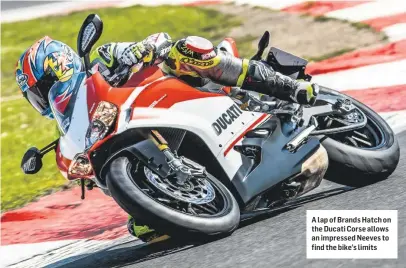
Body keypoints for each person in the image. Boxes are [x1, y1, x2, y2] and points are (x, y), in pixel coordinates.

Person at [15, 34, 318, 242]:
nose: (41, 99)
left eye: (40, 89)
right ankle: (193, 195)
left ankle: (285, 86)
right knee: (144, 227)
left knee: (185, 50)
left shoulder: (103, 60)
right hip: (157, 129)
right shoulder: (71, 124)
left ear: (59, 66)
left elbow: (158, 40)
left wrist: (139, 50)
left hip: (179, 91)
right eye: (35, 97)